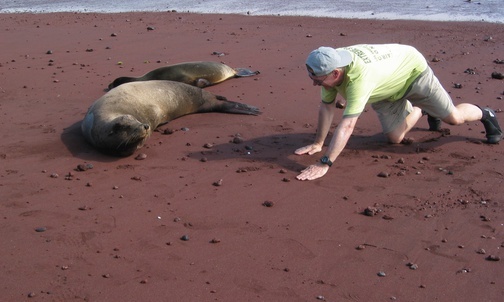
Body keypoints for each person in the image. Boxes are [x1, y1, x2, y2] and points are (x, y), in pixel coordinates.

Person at [295, 44, 502, 181]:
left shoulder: (359, 80)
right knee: (394, 137)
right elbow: (327, 107)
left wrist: (325, 163)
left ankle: (486, 114)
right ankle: (422, 109)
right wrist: (318, 143)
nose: (315, 83)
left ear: (336, 72)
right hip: (385, 89)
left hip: (412, 74)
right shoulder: (328, 62)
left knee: (453, 118)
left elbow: (348, 125)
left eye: (318, 80)